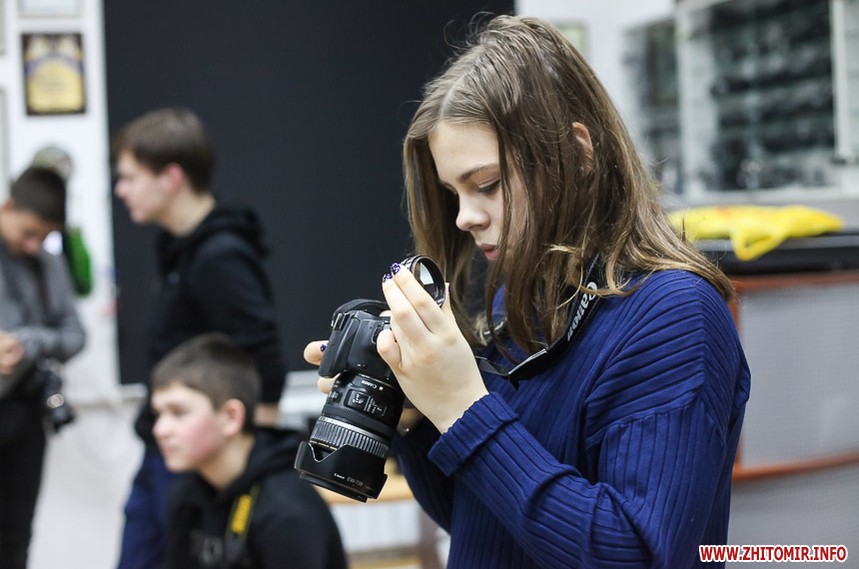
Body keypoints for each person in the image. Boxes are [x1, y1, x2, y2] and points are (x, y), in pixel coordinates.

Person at [304, 15, 751, 569]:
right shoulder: (520, 303)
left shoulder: (675, 315)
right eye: (453, 194)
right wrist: (419, 416)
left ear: (578, 154)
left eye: (487, 185)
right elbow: (488, 525)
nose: (465, 217)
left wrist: (463, 409)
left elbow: (636, 554)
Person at [112, 107, 288, 569]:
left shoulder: (220, 255)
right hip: (164, 446)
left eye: (129, 177)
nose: (121, 190)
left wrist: (255, 464)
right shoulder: (175, 245)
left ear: (171, 178)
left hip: (197, 456)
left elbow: (264, 356)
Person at [150, 333, 347, 569]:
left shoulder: (286, 512)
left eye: (178, 413)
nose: (159, 430)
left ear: (231, 417)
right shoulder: (185, 496)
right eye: (158, 414)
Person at [0, 166, 86, 569]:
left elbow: (75, 335)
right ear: (7, 208)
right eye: (28, 232)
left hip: (27, 413)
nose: (33, 245)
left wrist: (30, 342)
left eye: (45, 237)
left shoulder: (48, 265)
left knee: (16, 533)